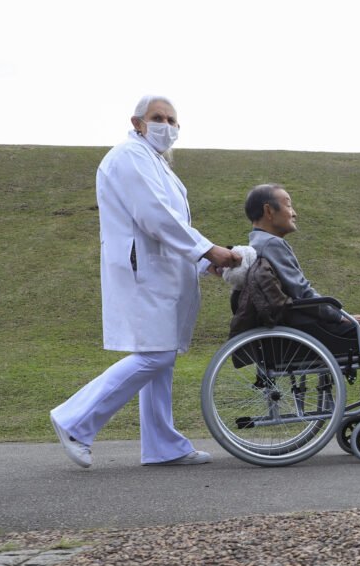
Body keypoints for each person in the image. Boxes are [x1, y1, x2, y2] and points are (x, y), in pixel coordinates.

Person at [50, 95, 241, 468]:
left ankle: (162, 445)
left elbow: (171, 226)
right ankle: (75, 420)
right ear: (138, 122)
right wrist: (207, 251)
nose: (166, 126)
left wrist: (204, 263)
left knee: (161, 355)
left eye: (172, 120)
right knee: (156, 354)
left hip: (160, 271)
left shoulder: (156, 163)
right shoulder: (129, 157)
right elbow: (156, 217)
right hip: (144, 271)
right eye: (158, 118)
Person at [241, 183, 360, 432]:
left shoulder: (257, 245)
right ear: (269, 211)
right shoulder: (271, 245)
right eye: (289, 204)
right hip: (305, 335)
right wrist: (339, 316)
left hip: (295, 330)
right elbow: (302, 293)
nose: (294, 212)